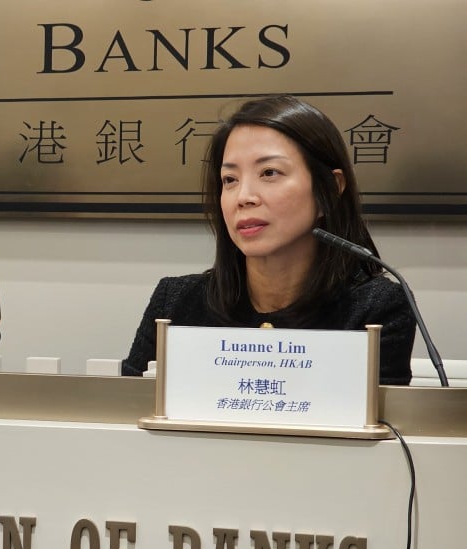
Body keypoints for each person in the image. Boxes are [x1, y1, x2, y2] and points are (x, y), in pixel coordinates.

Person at [122, 95, 415, 384]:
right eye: (230, 180)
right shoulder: (176, 303)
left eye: (269, 173)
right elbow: (126, 416)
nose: (244, 197)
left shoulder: (375, 308)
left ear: (329, 189)